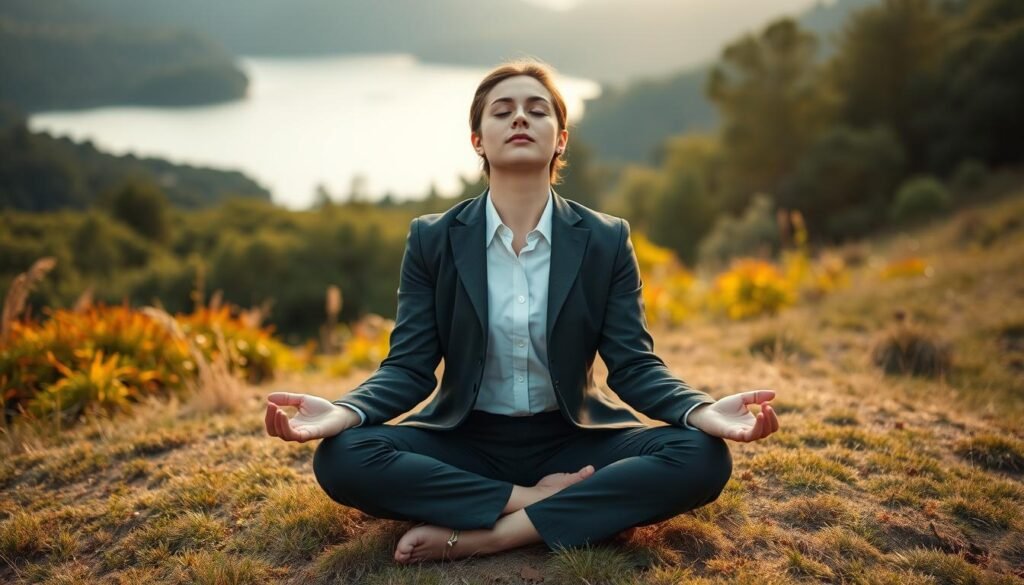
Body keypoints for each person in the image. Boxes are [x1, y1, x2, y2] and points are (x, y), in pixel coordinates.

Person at [265, 59, 780, 565]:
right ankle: (533, 501)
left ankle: (494, 535)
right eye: (502, 110)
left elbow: (634, 365)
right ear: (477, 140)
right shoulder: (432, 239)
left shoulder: (605, 239)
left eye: (537, 110)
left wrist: (700, 410)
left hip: (575, 438)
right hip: (465, 437)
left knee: (703, 457)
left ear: (559, 139)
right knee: (342, 457)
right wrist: (345, 411)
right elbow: (408, 367)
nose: (519, 118)